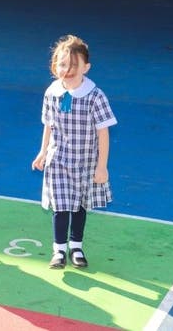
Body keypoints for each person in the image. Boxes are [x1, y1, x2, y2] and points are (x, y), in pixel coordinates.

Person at [31, 34, 117, 269]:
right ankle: (58, 250)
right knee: (61, 206)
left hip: (85, 162)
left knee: (79, 206)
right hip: (58, 160)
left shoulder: (95, 96)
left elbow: (103, 133)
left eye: (73, 66)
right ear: (54, 66)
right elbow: (49, 124)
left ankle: (76, 247)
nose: (67, 70)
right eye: (62, 64)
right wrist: (43, 152)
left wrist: (101, 166)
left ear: (85, 68)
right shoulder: (52, 93)